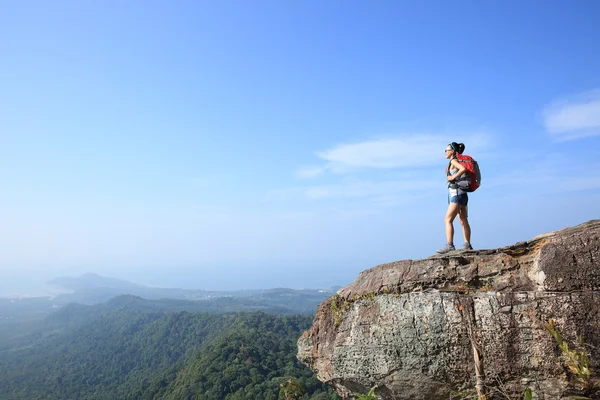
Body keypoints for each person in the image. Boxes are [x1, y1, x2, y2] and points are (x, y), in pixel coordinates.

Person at [437, 142, 473, 253]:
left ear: (452, 151)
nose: (445, 152)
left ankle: (450, 245)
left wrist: (453, 176)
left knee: (447, 220)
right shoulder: (454, 160)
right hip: (463, 195)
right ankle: (467, 245)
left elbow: (462, 169)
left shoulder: (453, 161)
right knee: (463, 220)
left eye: (446, 150)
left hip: (456, 194)